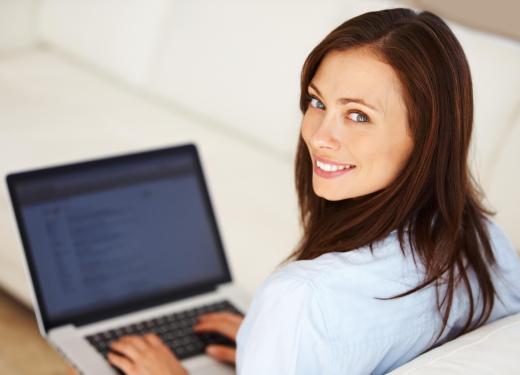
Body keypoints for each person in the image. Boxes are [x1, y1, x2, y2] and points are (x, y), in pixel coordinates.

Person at [68, 7, 520, 375]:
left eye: (358, 115)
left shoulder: (301, 298)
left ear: (427, 137)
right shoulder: (486, 244)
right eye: (317, 102)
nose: (320, 134)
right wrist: (269, 341)